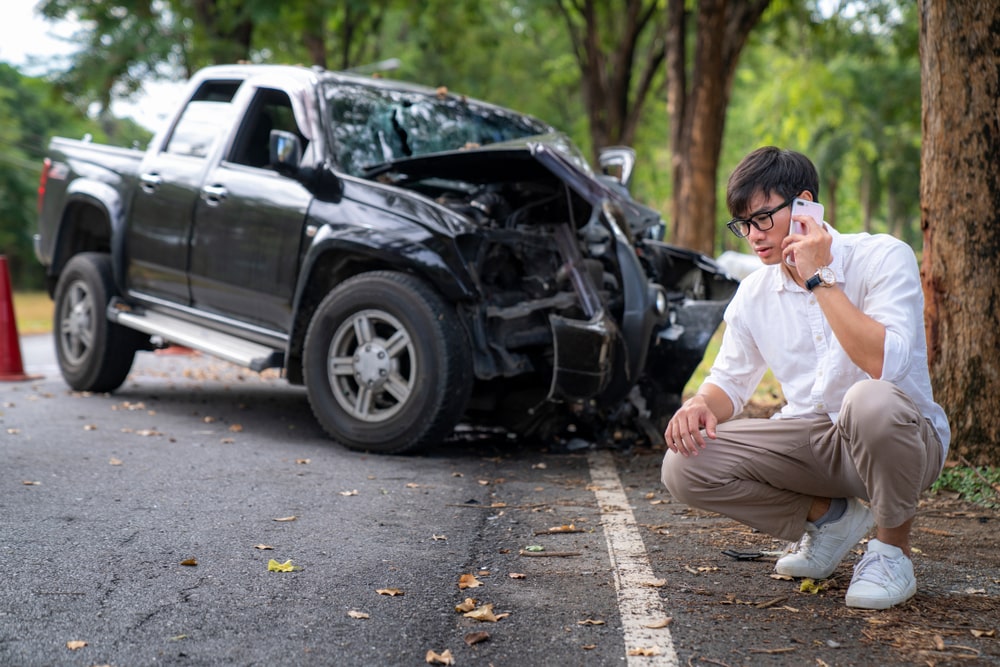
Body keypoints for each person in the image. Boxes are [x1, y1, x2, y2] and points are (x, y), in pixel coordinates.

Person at [660, 147, 950, 610]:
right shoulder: (756, 290)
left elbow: (885, 366)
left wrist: (819, 278)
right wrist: (699, 405)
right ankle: (830, 520)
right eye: (742, 224)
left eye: (761, 219)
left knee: (868, 399)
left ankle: (892, 551)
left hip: (901, 439)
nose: (752, 236)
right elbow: (730, 381)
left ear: (804, 206)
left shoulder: (882, 257)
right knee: (685, 464)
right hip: (814, 442)